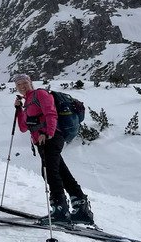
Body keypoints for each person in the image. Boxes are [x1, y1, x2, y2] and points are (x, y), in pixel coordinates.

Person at [12, 73, 94, 224]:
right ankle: (81, 209)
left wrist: (48, 133)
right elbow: (23, 127)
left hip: (51, 137)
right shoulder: (27, 102)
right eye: (18, 85)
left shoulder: (40, 94)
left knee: (50, 172)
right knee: (61, 173)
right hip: (41, 141)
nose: (22, 86)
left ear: (30, 82)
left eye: (24, 83)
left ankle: (60, 210)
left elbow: (51, 113)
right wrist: (19, 109)